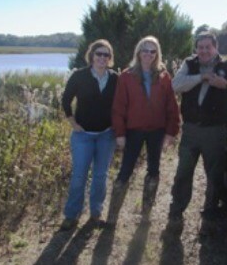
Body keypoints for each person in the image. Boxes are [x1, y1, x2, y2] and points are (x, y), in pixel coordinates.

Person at [168, 31, 227, 236]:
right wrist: (200, 77)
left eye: (208, 47)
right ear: (196, 49)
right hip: (191, 129)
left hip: (216, 131)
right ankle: (176, 213)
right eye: (200, 47)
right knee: (183, 172)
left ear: (216, 47)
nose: (203, 51)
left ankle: (210, 215)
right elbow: (175, 85)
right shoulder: (189, 64)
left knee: (214, 175)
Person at [107, 35, 180, 223]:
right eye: (145, 50)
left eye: (152, 51)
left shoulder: (164, 76)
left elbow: (171, 106)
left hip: (157, 130)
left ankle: (145, 214)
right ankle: (112, 217)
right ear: (138, 52)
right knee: (125, 170)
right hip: (134, 131)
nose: (148, 54)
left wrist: (171, 132)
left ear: (157, 54)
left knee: (154, 171)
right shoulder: (126, 76)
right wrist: (120, 134)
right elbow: (118, 107)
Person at [59, 39, 119, 231]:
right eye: (98, 54)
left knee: (100, 176)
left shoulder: (115, 78)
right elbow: (66, 99)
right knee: (79, 176)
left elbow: (121, 105)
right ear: (91, 55)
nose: (102, 58)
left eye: (106, 55)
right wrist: (72, 122)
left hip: (106, 135)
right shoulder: (79, 76)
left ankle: (95, 214)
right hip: (83, 135)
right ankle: (71, 215)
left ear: (110, 58)